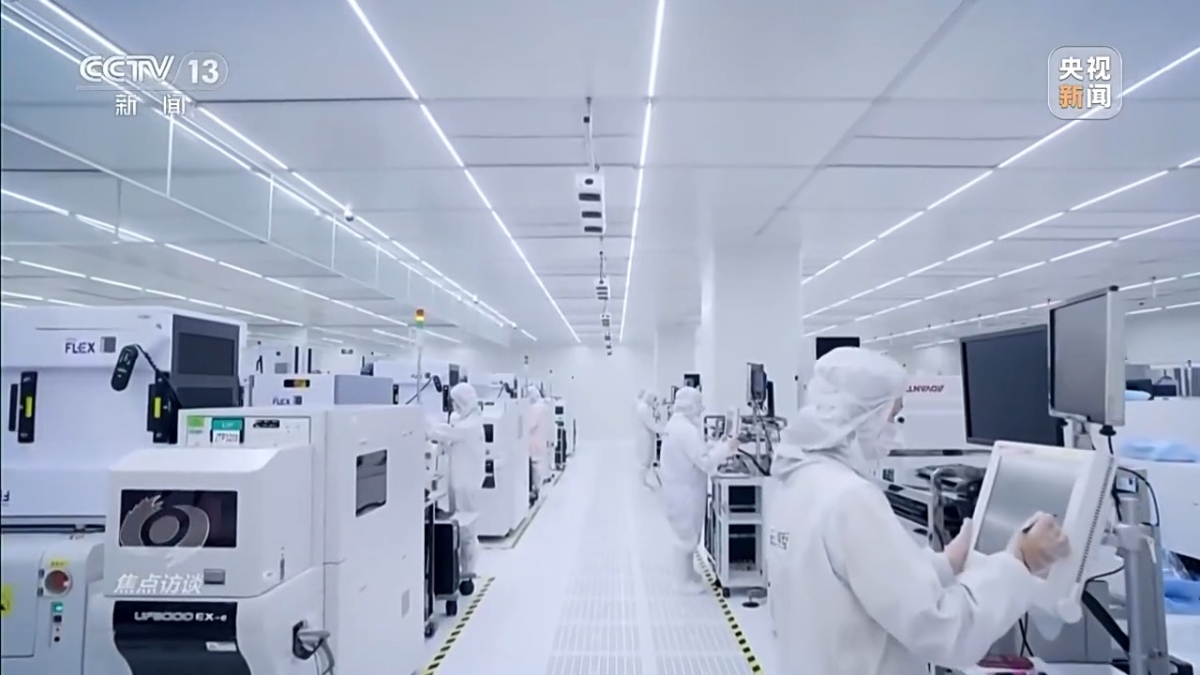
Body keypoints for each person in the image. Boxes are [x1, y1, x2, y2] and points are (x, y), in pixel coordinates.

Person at [766, 347, 1072, 675]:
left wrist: (946, 564)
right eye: (893, 416)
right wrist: (1020, 562)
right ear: (868, 417)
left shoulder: (797, 481)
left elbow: (865, 580)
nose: (894, 433)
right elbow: (942, 629)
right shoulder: (851, 498)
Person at [658, 386, 739, 593]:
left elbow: (696, 452)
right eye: (699, 405)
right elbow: (705, 461)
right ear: (691, 406)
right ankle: (682, 582)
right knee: (686, 539)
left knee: (688, 536)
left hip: (678, 489)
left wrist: (714, 446)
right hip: (684, 493)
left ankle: (688, 574)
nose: (701, 409)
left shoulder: (677, 425)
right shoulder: (686, 430)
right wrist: (726, 448)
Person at [429, 382, 487, 578]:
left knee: (466, 529)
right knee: (461, 526)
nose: (453, 407)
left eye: (456, 402)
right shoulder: (467, 421)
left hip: (466, 484)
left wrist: (421, 422)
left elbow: (441, 433)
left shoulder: (470, 425)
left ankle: (468, 571)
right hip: (461, 482)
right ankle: (461, 570)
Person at [635, 390, 664, 487]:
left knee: (647, 458)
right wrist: (662, 431)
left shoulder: (643, 407)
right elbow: (650, 423)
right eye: (654, 399)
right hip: (646, 437)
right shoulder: (644, 408)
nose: (655, 402)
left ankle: (643, 481)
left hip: (646, 436)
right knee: (646, 459)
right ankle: (642, 482)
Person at [524, 386, 552, 487]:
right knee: (538, 466)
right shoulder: (544, 406)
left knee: (535, 466)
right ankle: (537, 488)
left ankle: (535, 489)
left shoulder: (536, 408)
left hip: (534, 441)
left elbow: (530, 425)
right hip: (541, 440)